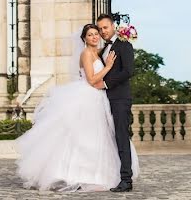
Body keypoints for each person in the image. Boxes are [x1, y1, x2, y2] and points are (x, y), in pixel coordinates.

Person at [16, 23, 139, 192]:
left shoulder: (100, 53)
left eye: (97, 33)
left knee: (101, 137)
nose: (95, 36)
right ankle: (79, 174)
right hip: (88, 96)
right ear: (84, 38)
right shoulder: (86, 54)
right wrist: (109, 67)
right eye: (90, 34)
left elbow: (124, 71)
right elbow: (91, 79)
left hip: (100, 97)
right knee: (84, 137)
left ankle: (100, 174)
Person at [96, 13, 135, 193]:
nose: (103, 31)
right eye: (100, 28)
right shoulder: (102, 48)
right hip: (105, 99)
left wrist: (106, 83)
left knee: (121, 137)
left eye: (106, 27)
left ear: (113, 27)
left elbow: (129, 71)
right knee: (108, 139)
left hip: (120, 98)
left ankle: (126, 180)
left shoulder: (124, 45)